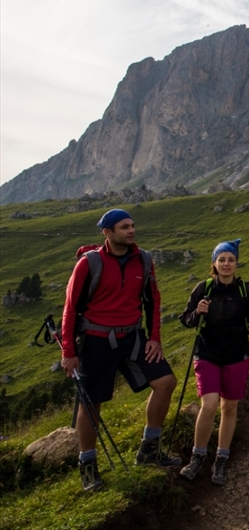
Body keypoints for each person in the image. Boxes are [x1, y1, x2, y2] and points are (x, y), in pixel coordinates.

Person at [61, 208, 180, 492]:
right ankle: (87, 465)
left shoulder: (144, 260)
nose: (131, 231)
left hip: (133, 337)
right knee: (92, 403)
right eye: (124, 227)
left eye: (132, 225)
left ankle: (149, 448)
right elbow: (70, 308)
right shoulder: (88, 264)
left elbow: (152, 301)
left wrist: (154, 338)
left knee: (166, 382)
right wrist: (69, 351)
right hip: (95, 340)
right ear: (107, 232)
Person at [178, 239, 249, 485]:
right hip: (207, 352)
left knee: (229, 408)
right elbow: (186, 319)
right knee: (209, 404)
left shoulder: (245, 290)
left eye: (231, 259)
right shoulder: (203, 288)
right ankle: (198, 456)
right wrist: (197, 312)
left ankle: (221, 459)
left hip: (236, 353)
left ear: (236, 263)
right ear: (214, 263)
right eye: (222, 259)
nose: (226, 264)